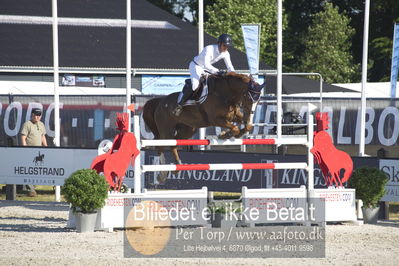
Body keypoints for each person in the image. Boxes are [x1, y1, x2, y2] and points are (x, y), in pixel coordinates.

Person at [173, 33, 235, 116]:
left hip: (207, 69)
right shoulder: (209, 49)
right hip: (196, 66)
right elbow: (206, 65)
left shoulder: (226, 53)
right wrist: (218, 71)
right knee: (195, 85)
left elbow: (230, 67)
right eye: (225, 45)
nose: (226, 48)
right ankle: (179, 105)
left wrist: (235, 76)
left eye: (228, 46)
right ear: (219, 43)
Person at [19, 108, 48, 196]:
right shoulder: (27, 124)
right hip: (29, 151)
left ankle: (32, 188)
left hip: (39, 151)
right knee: (29, 170)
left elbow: (42, 136)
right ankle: (31, 190)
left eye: (39, 115)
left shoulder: (41, 124)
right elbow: (23, 136)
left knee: (38, 170)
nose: (37, 117)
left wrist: (46, 147)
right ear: (32, 115)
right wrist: (25, 148)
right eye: (35, 115)